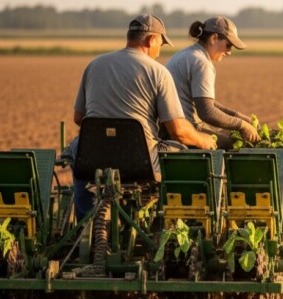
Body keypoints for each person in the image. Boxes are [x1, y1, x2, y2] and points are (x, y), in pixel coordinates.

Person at [69, 14, 217, 218]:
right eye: (161, 44)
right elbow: (178, 132)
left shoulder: (94, 64)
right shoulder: (158, 72)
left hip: (94, 156)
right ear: (151, 39)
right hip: (140, 160)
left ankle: (85, 220)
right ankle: (167, 220)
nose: (159, 51)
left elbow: (79, 118)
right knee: (181, 153)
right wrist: (204, 140)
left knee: (77, 152)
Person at [166, 16, 260, 148]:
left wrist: (238, 116)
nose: (229, 52)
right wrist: (242, 125)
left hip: (170, 126)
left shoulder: (185, 54)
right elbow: (207, 112)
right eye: (228, 45)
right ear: (214, 38)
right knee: (237, 145)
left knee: (228, 133)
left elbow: (204, 101)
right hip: (185, 129)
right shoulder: (202, 63)